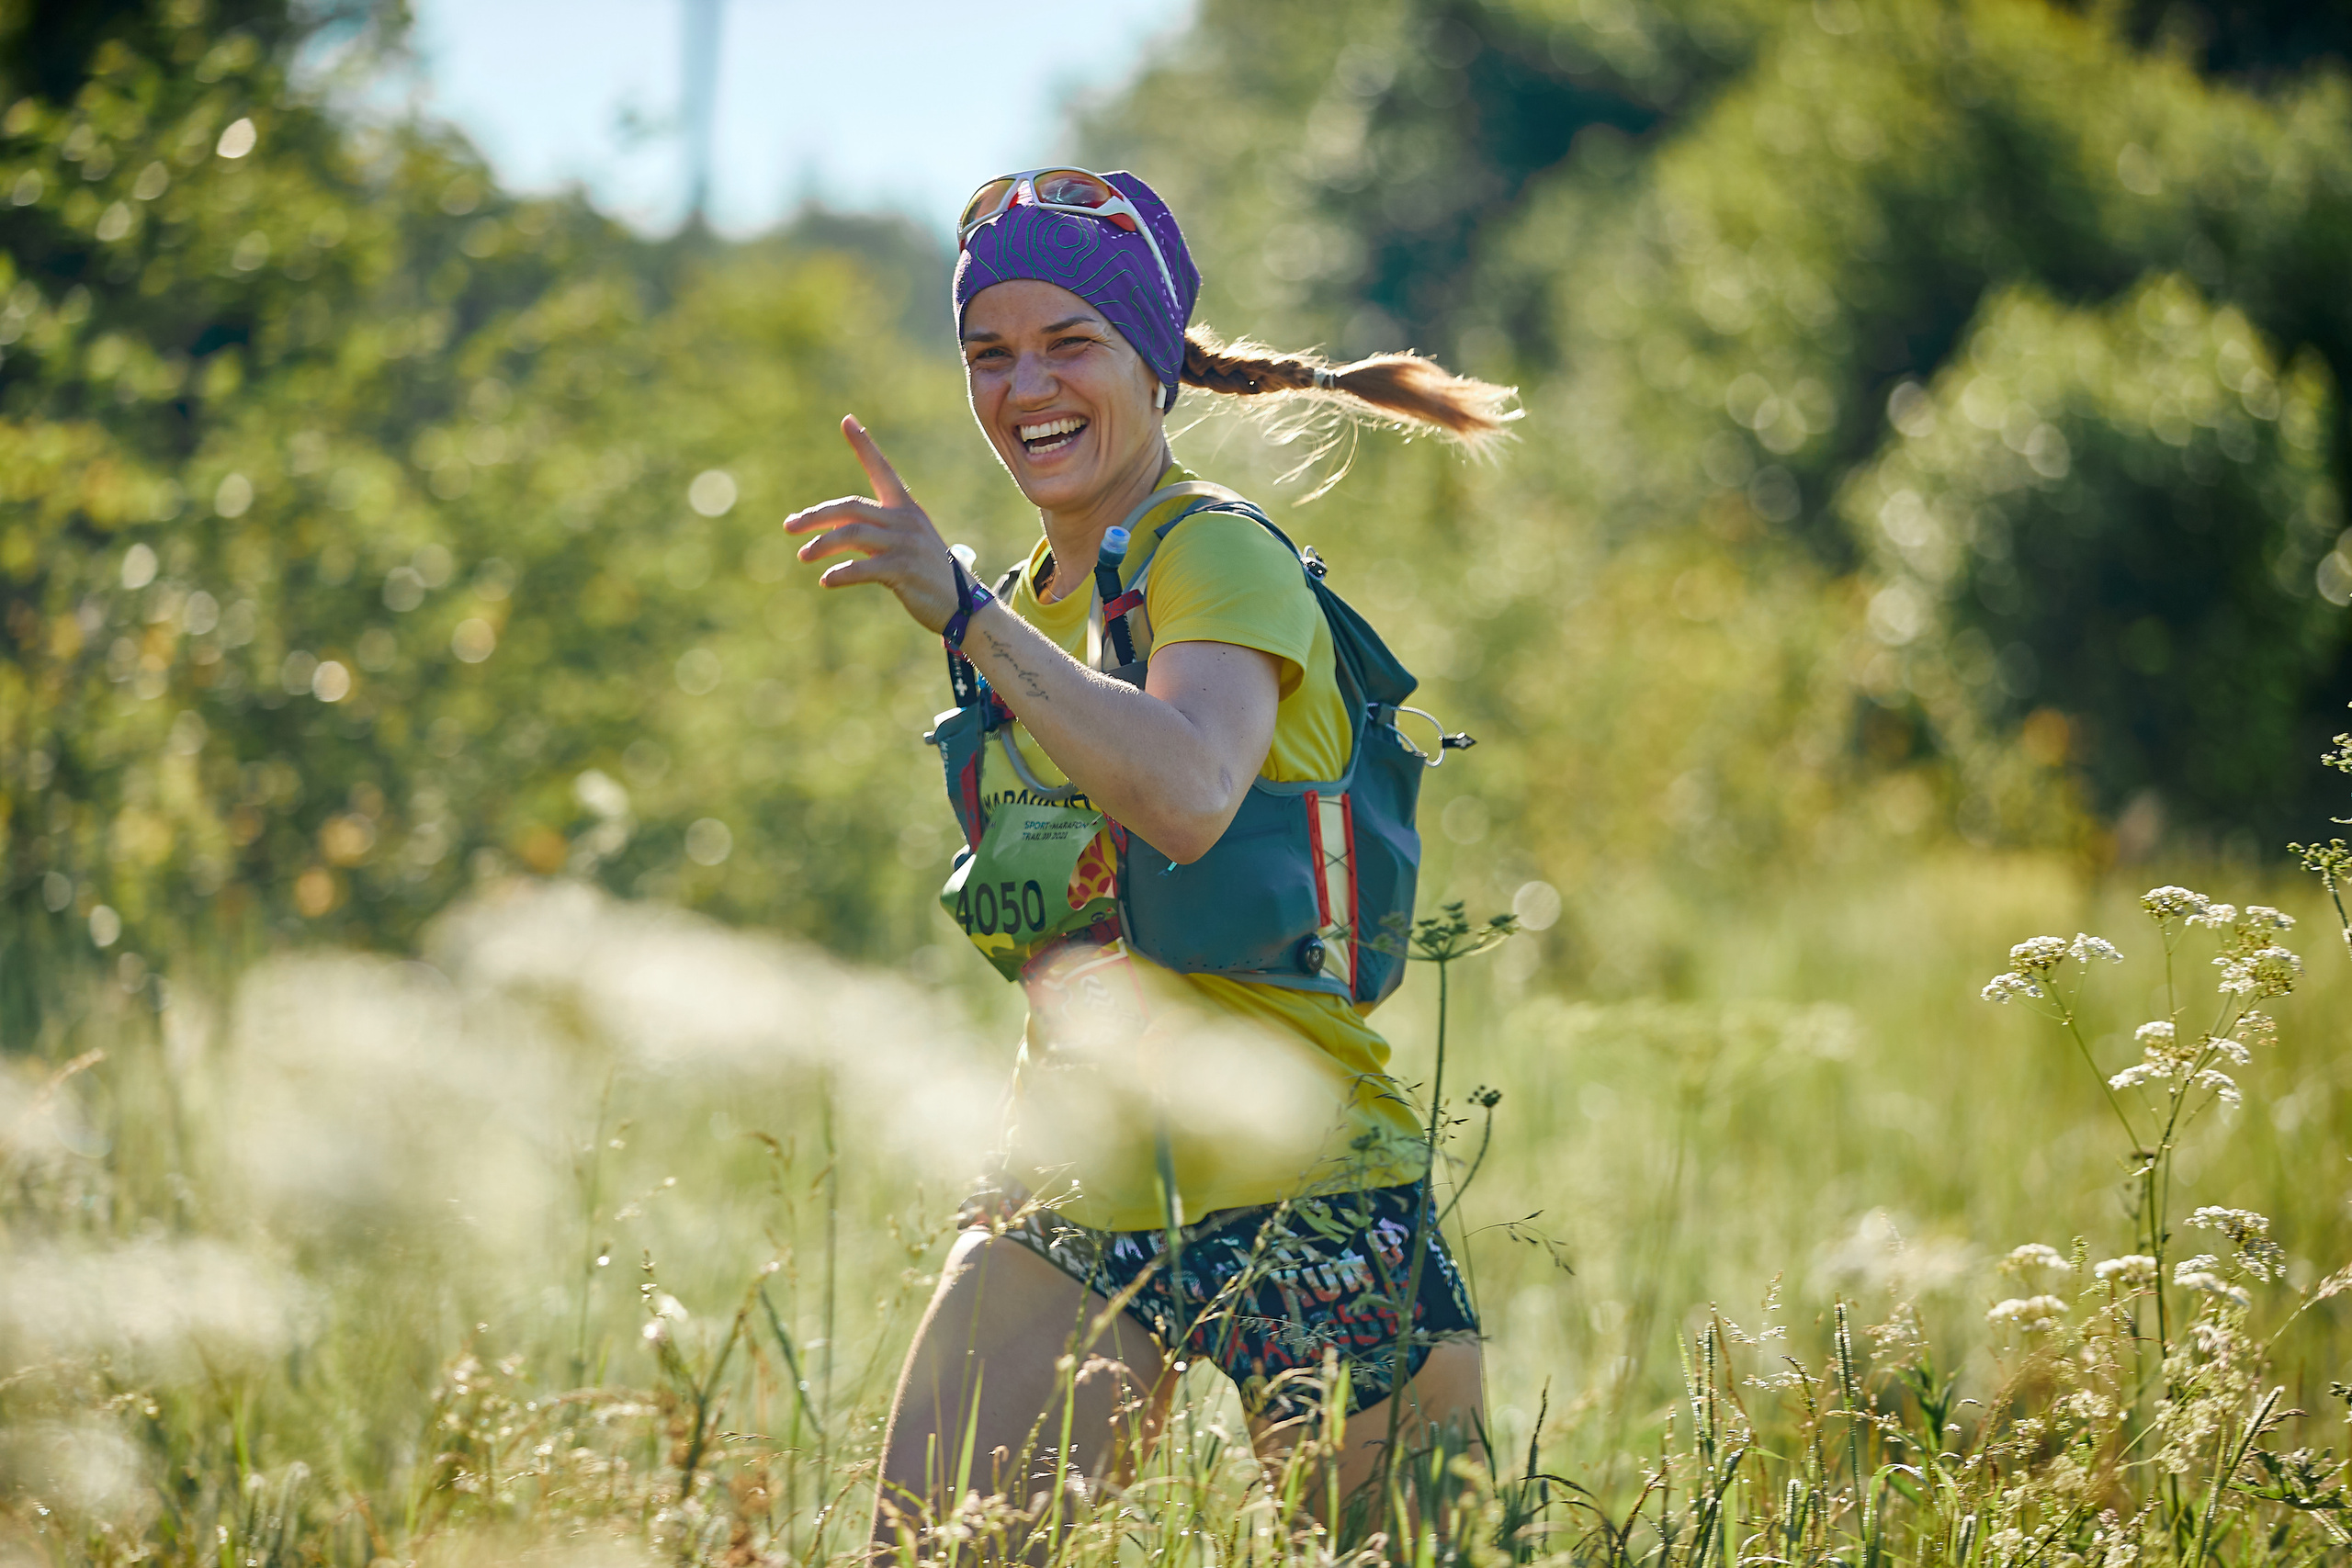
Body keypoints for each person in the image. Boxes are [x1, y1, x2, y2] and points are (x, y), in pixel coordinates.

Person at [783, 169, 1514, 1551]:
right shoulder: (1039, 596)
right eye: (989, 354)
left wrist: (962, 609)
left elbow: (1186, 793)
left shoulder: (1215, 553)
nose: (1026, 388)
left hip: (1307, 1180)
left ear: (1152, 363)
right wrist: (986, 612)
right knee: (930, 1552)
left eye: (1071, 344)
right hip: (1078, 1168)